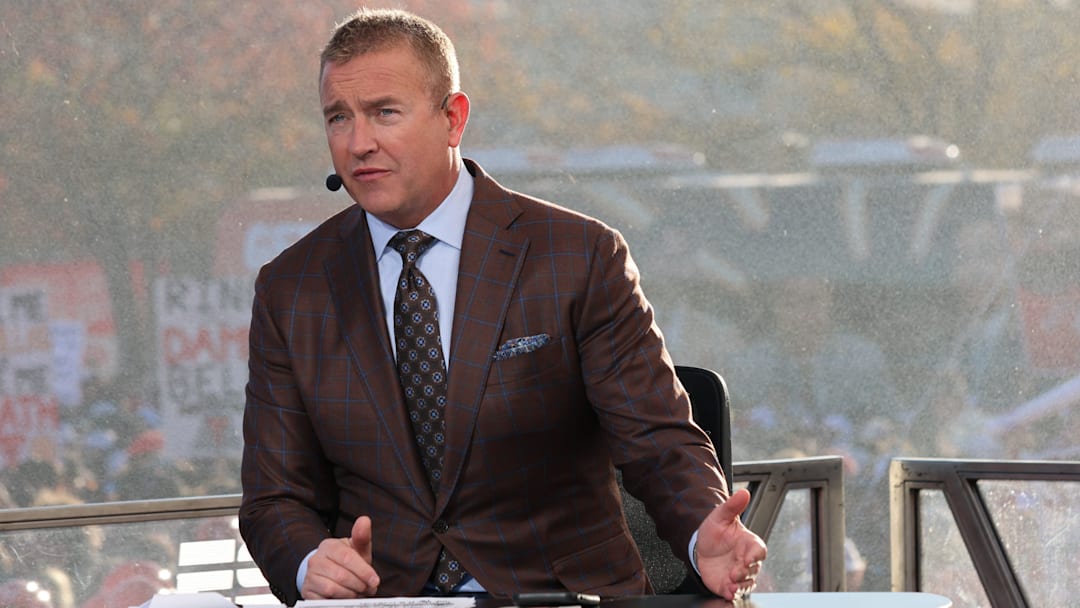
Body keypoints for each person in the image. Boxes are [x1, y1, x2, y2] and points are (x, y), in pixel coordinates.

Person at [239, 8, 766, 605]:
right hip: (386, 600)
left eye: (385, 112)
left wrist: (701, 534)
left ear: (453, 118)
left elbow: (657, 440)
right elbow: (273, 498)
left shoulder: (577, 255)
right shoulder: (291, 289)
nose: (359, 143)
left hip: (556, 597)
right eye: (339, 117)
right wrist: (309, 563)